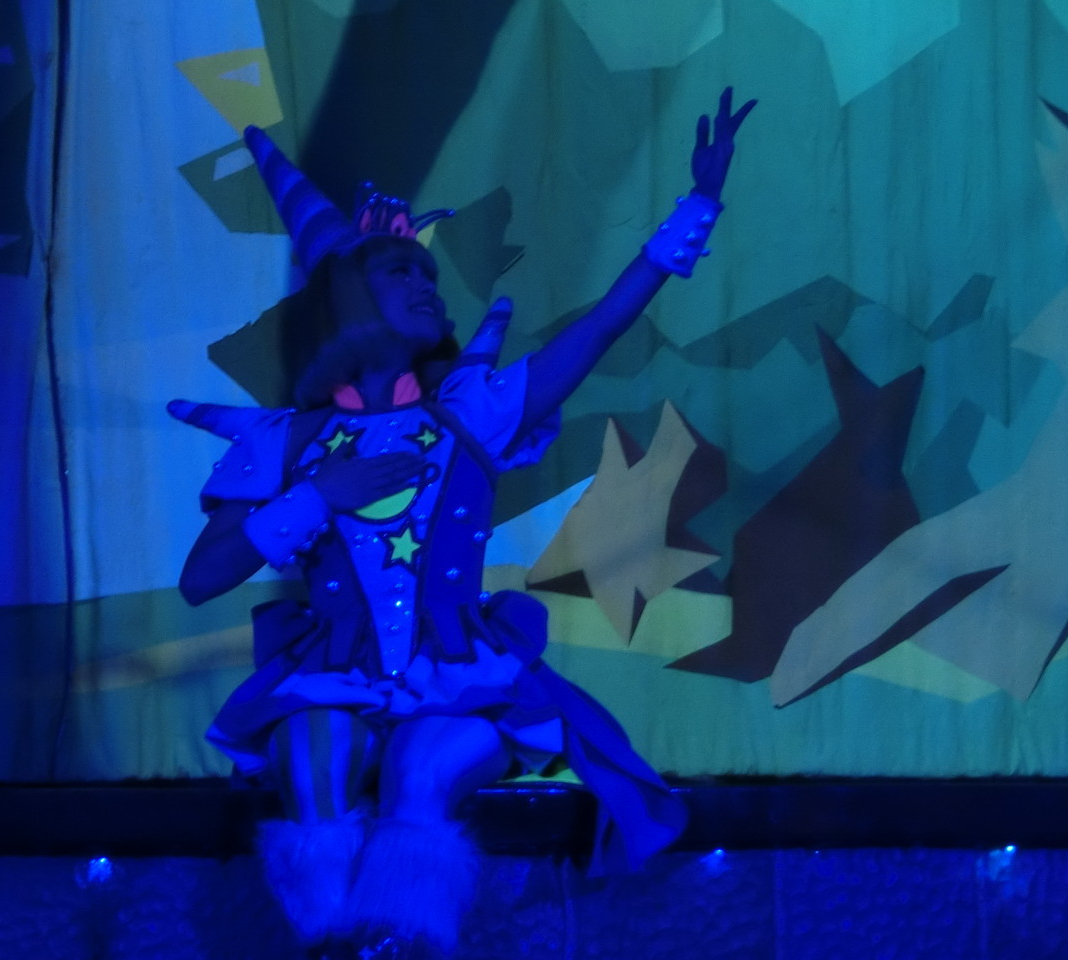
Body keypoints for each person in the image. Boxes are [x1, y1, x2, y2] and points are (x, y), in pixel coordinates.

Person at [171, 88, 755, 959]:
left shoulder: (469, 412)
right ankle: (332, 944)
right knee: (312, 759)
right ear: (348, 296)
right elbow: (202, 578)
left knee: (419, 775)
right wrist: (317, 496)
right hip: (332, 677)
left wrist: (696, 208)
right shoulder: (284, 442)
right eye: (400, 273)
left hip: (459, 675)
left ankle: (397, 943)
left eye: (427, 277)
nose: (425, 286)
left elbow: (599, 328)